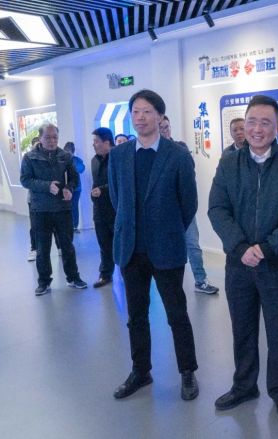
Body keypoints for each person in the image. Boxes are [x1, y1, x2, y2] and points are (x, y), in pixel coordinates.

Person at [208, 95, 278, 420]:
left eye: (266, 122)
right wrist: (240, 248)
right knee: (242, 329)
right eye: (252, 121)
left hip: (276, 264)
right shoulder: (229, 163)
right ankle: (244, 386)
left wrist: (266, 248)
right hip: (238, 264)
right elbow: (217, 209)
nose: (256, 129)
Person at [108, 89, 199, 401]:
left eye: (147, 111)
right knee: (136, 316)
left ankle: (187, 371)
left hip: (166, 248)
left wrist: (168, 229)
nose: (140, 118)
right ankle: (140, 371)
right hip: (130, 249)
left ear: (160, 116)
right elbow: (116, 198)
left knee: (176, 314)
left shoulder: (177, 155)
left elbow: (189, 203)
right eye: (135, 111)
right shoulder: (119, 155)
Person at [20, 123, 88, 295]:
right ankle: (44, 282)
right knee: (42, 249)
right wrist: (46, 186)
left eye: (55, 137)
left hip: (62, 208)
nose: (52, 141)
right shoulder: (30, 157)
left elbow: (74, 178)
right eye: (48, 137)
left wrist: (69, 189)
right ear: (40, 138)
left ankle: (73, 277)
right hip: (40, 209)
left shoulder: (65, 156)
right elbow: (25, 180)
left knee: (67, 246)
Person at [159, 115, 219, 295]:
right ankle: (169, 284)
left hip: (183, 208)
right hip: (162, 210)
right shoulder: (152, 153)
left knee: (192, 245)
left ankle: (200, 280)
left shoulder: (181, 148)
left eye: (167, 127)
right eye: (161, 128)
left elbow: (188, 177)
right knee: (166, 247)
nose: (165, 131)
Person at [90, 127, 116, 288]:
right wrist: (93, 194)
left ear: (107, 142)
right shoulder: (94, 160)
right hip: (99, 210)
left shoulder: (117, 159)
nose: (93, 145)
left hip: (116, 210)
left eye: (96, 141)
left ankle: (128, 273)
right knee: (104, 244)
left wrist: (103, 190)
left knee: (121, 244)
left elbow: (121, 183)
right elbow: (95, 183)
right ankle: (105, 274)